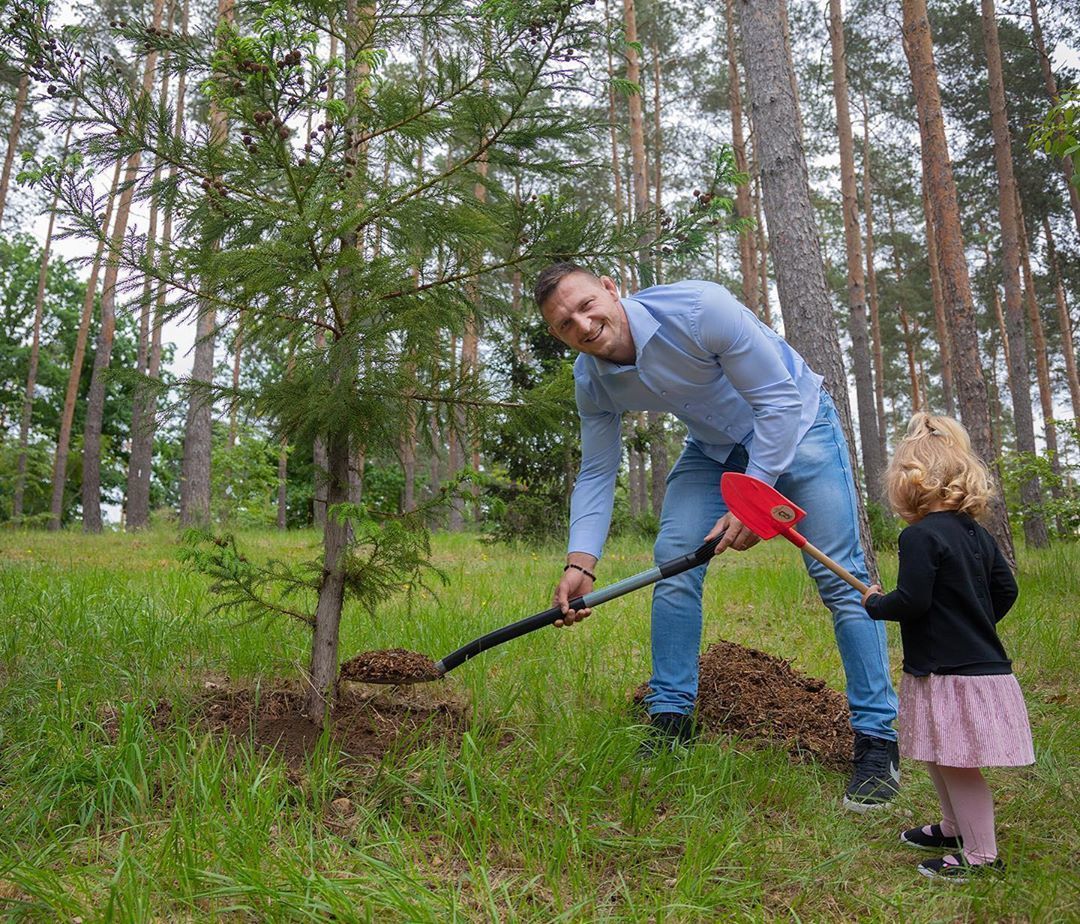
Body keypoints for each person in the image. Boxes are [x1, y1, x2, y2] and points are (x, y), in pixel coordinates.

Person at [535, 262, 900, 811]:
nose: (583, 326)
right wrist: (580, 562)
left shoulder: (700, 309)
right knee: (673, 564)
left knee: (841, 579)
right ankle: (670, 722)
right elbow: (595, 472)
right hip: (714, 450)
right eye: (565, 324)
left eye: (587, 305)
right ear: (559, 336)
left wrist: (755, 501)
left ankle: (878, 740)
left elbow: (777, 402)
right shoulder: (592, 380)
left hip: (798, 427)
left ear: (612, 289)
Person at [861, 413, 1033, 881]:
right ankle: (953, 827)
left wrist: (877, 604)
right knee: (939, 752)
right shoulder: (976, 533)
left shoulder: (918, 536)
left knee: (957, 763)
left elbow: (913, 601)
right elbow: (1006, 590)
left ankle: (981, 855)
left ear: (908, 483)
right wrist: (973, 623)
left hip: (950, 671)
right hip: (961, 665)